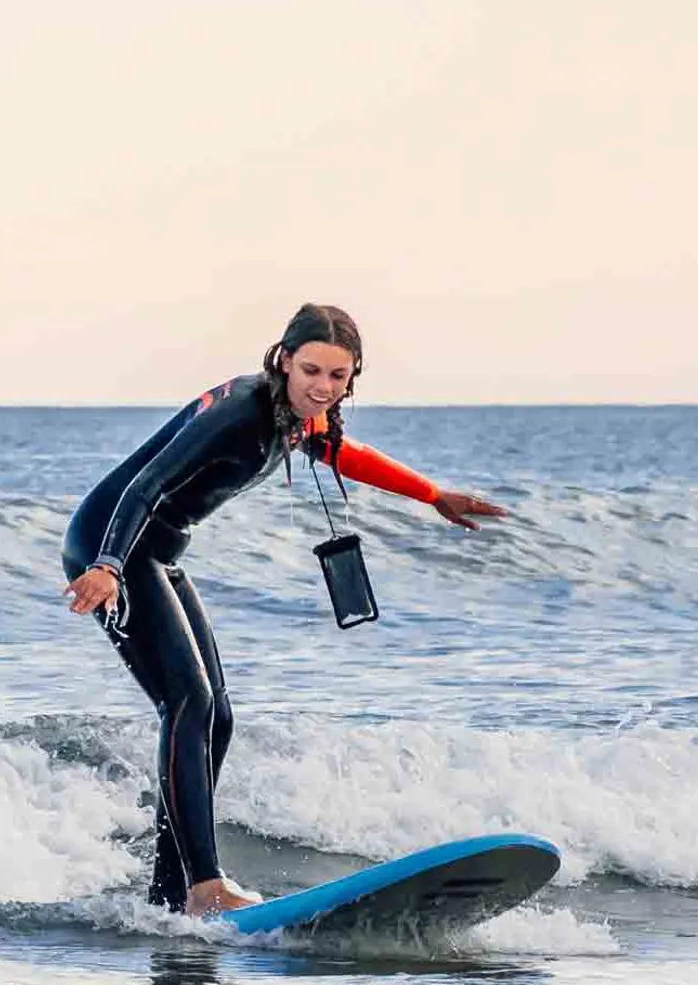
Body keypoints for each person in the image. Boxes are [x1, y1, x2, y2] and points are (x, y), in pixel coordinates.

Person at [61, 303, 507, 917]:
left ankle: (171, 892)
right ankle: (204, 888)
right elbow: (148, 485)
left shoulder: (298, 417)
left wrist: (433, 495)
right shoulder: (244, 409)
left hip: (159, 555)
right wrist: (108, 565)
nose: (322, 387)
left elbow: (347, 455)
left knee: (217, 716)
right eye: (311, 371)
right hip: (113, 547)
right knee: (188, 702)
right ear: (284, 360)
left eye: (338, 376)